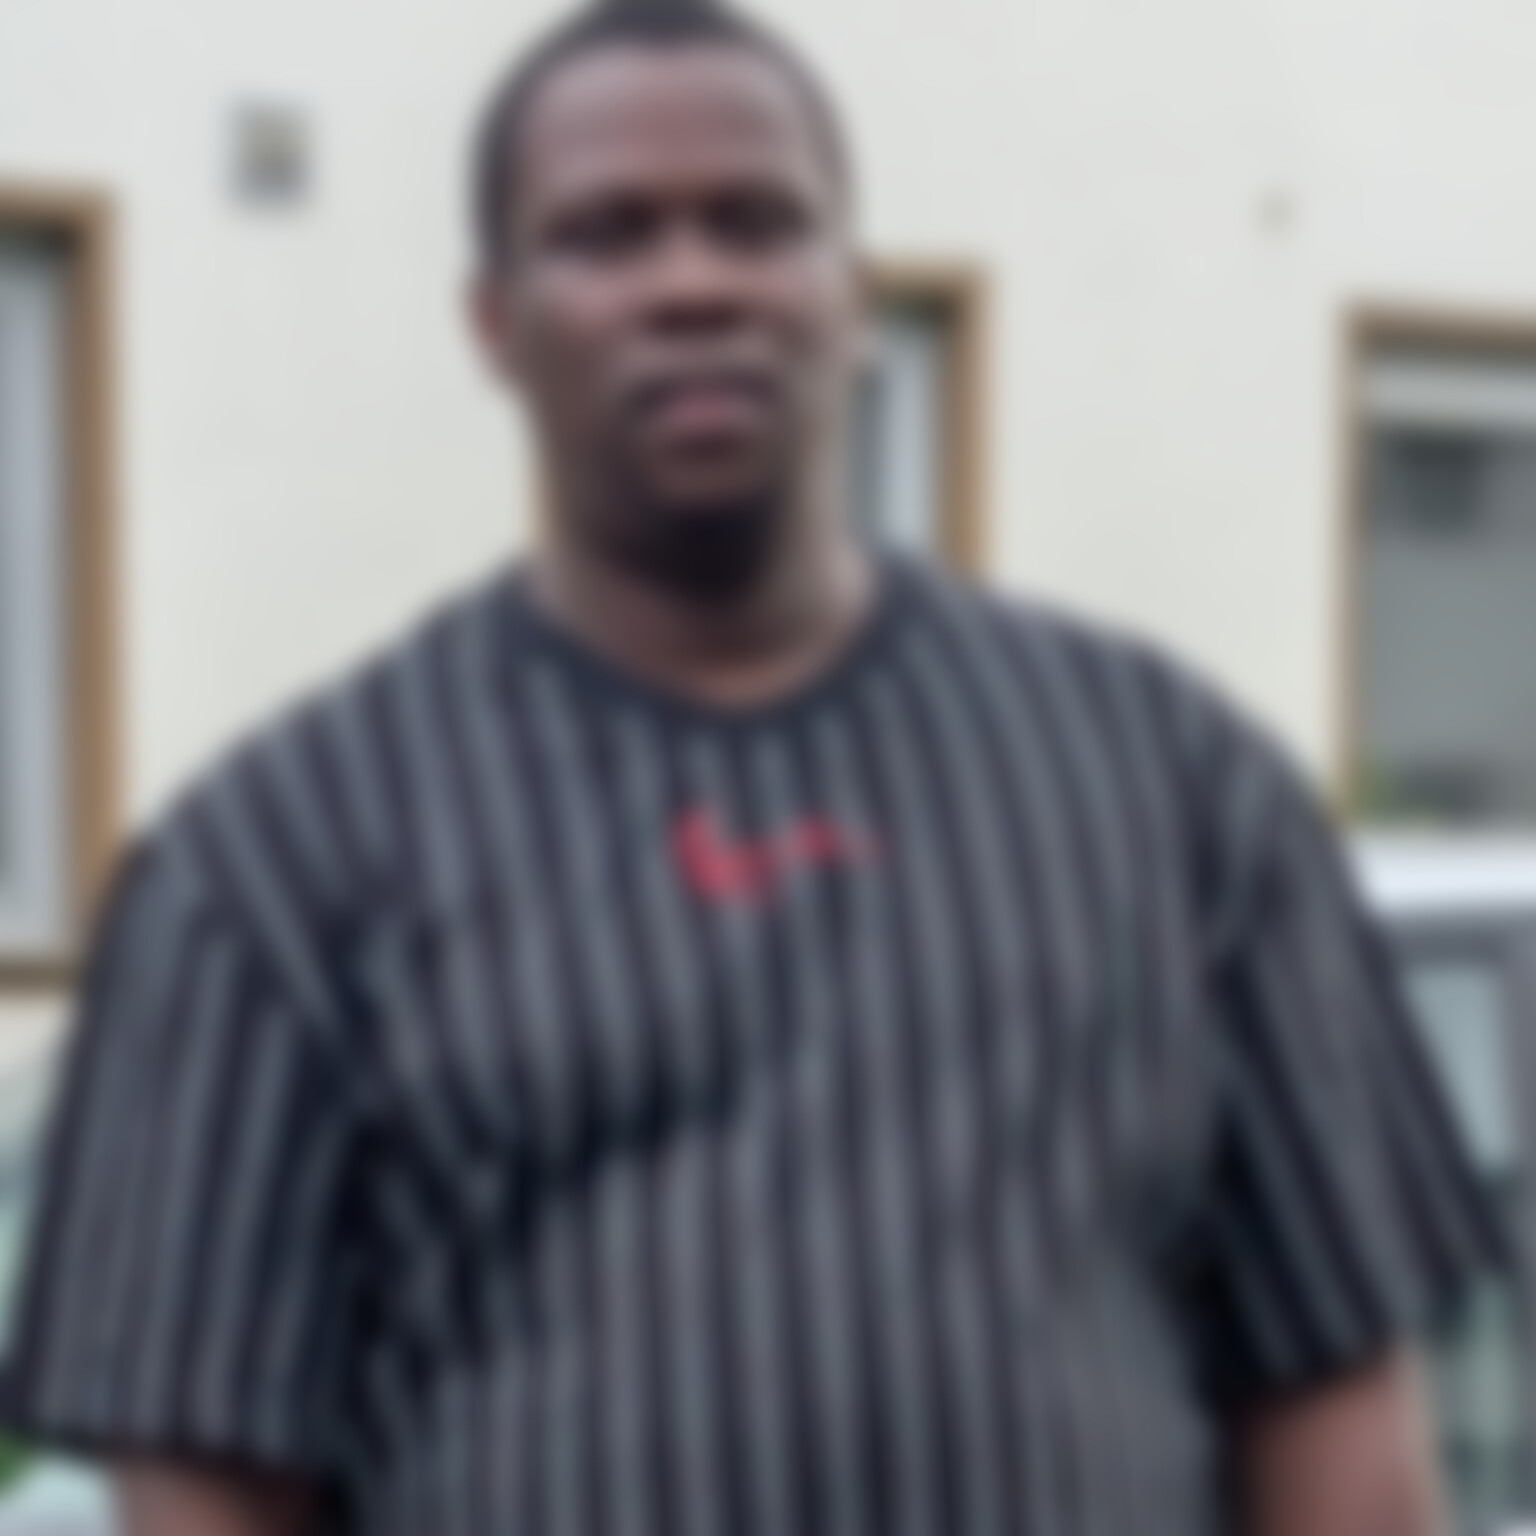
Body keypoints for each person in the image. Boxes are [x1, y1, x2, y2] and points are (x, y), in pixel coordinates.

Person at [0, 0, 1505, 1531]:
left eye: (758, 222)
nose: (694, 284)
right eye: (606, 235)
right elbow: (204, 1490)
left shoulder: (1179, 796)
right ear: (495, 323)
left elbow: (1345, 1434)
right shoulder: (269, 871)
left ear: (853, 296)